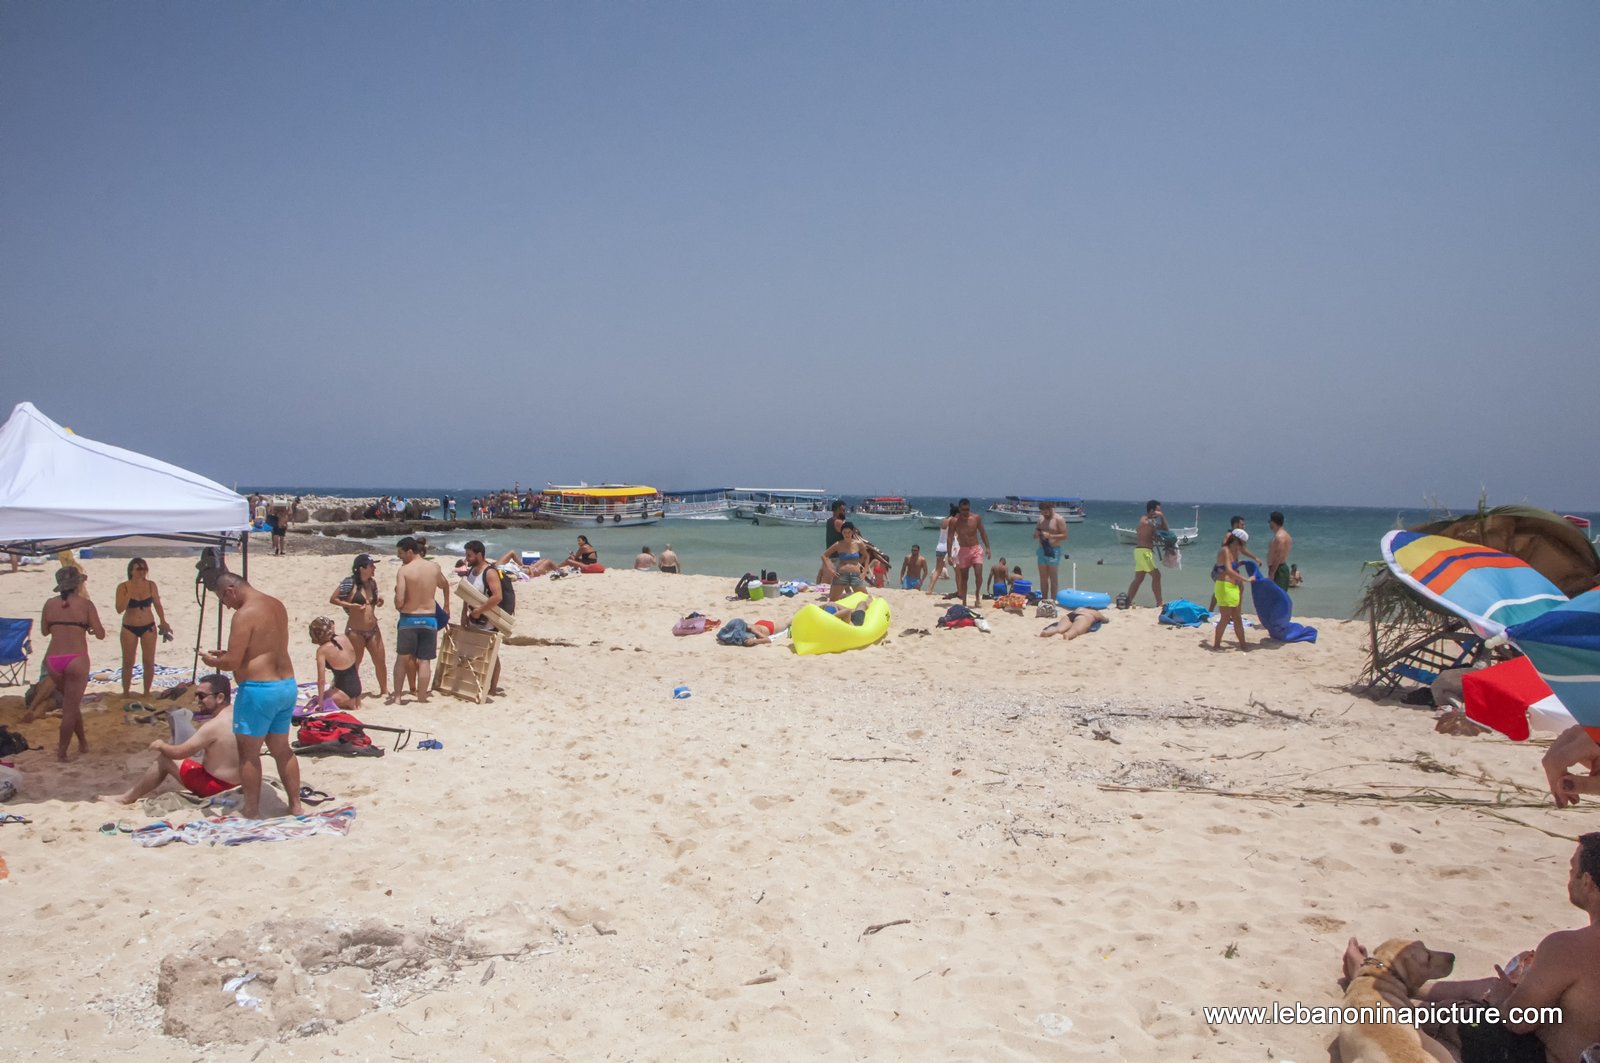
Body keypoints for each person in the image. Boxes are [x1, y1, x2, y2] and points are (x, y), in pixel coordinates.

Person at [1339, 833, 1600, 1063]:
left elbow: (1518, 1020)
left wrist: (1504, 998)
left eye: (1571, 869)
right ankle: (1386, 978)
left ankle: (1374, 978)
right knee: (1480, 995)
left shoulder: (1567, 947)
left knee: (1460, 1015)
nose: (1568, 877)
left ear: (1587, 881)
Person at [201, 573, 302, 819]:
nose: (226, 605)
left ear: (231, 590)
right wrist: (228, 654)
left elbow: (233, 662)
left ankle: (252, 810)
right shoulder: (276, 604)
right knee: (282, 749)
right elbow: (262, 647)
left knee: (248, 753)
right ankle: (296, 805)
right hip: (286, 685)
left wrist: (212, 660)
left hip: (258, 690)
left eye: (224, 599)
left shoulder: (243, 614)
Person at [98, 674, 241, 805]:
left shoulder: (212, 726)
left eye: (201, 696)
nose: (197, 700)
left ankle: (126, 798)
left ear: (220, 697)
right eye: (196, 695)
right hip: (242, 783)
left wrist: (161, 745)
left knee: (165, 759)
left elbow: (178, 753)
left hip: (216, 786)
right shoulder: (239, 714)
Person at [40, 567, 105, 760]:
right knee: (70, 707)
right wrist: (85, 627)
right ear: (77, 584)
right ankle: (62, 751)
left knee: (72, 703)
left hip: (53, 659)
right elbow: (101, 634)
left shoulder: (49, 604)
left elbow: (45, 631)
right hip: (76, 658)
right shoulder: (86, 604)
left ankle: (83, 743)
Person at [389, 536, 450, 704]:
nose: (399, 557)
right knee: (425, 661)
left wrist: (397, 598)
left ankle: (398, 697)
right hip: (429, 619)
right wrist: (446, 605)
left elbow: (399, 602)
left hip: (409, 618)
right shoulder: (434, 567)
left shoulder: (404, 571)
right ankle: (422, 697)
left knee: (402, 659)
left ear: (410, 551)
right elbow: (445, 585)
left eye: (401, 553)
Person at [329, 553, 388, 698]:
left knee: (380, 661)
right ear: (361, 568)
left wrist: (378, 601)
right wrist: (351, 605)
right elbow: (333, 599)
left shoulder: (372, 583)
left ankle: (384, 691)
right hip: (356, 631)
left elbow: (371, 603)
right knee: (355, 663)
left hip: (373, 629)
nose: (374, 568)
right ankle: (351, 691)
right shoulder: (349, 583)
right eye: (371, 566)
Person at [115, 558, 172, 696]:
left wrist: (163, 621)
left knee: (148, 660)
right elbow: (119, 609)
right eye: (138, 569)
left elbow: (157, 604)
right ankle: (126, 692)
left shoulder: (151, 585)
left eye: (144, 569)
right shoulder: (123, 586)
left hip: (148, 625)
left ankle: (147, 691)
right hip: (129, 626)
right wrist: (129, 593)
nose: (142, 572)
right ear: (131, 571)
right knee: (128, 661)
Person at [461, 540, 508, 696]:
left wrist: (480, 610)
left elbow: (497, 597)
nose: (467, 558)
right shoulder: (471, 571)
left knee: (491, 653)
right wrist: (464, 615)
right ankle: (481, 683)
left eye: (469, 555)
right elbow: (466, 594)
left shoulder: (490, 572)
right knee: (477, 650)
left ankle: (493, 688)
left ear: (479, 555)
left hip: (488, 619)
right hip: (474, 617)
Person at [1210, 530, 1252, 651]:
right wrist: (1246, 579)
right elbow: (1228, 570)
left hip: (1233, 587)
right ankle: (1216, 645)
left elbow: (1232, 566)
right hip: (1224, 587)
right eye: (1241, 543)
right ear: (1235, 541)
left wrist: (1244, 562)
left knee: (1237, 617)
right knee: (1225, 617)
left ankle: (1243, 645)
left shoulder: (1234, 552)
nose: (1242, 546)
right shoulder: (1225, 550)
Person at [309, 616, 364, 711]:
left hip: (343, 691)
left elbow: (321, 680)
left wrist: (320, 702)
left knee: (316, 700)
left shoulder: (322, 651)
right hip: (357, 686)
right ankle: (354, 699)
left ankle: (348, 702)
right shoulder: (344, 637)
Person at [948, 498, 991, 609]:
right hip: (963, 551)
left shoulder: (975, 518)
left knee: (978, 574)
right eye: (963, 509)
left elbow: (982, 532)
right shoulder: (954, 521)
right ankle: (964, 602)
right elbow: (949, 538)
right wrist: (949, 555)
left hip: (976, 549)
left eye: (967, 509)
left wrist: (988, 548)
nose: (965, 512)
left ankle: (977, 595)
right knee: (964, 577)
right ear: (959, 509)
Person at [1126, 500, 1169, 608]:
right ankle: (1159, 602)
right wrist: (1162, 517)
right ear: (1151, 510)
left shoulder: (1149, 521)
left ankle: (1128, 600)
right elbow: (1163, 528)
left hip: (1140, 552)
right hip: (1144, 552)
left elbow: (1165, 529)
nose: (1159, 512)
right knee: (1157, 575)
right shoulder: (1146, 520)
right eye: (1158, 510)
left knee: (1139, 579)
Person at [821, 523, 871, 602]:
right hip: (841, 576)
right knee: (833, 601)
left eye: (849, 532)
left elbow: (866, 556)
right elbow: (824, 555)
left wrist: (864, 571)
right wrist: (831, 570)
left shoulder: (858, 544)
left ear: (852, 532)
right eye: (845, 532)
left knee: (866, 598)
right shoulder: (838, 544)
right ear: (842, 533)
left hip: (856, 576)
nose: (847, 534)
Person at [1034, 501, 1068, 602]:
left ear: (1050, 509)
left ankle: (1053, 600)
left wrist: (1051, 535)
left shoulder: (1059, 519)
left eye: (1046, 512)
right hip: (1042, 549)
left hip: (1054, 550)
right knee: (1043, 577)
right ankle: (1044, 600)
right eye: (1042, 513)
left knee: (1053, 577)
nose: (1044, 515)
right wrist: (1037, 534)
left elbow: (1065, 536)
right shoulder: (1040, 519)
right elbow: (1035, 534)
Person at [926, 504, 958, 595]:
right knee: (957, 570)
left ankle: (929, 589)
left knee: (938, 570)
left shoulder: (944, 520)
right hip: (949, 548)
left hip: (939, 547)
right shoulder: (954, 521)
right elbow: (955, 535)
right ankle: (960, 590)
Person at [817, 500, 849, 583]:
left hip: (829, 556)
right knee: (838, 582)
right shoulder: (838, 522)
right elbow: (849, 535)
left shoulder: (829, 521)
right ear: (837, 510)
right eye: (843, 510)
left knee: (826, 581)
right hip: (837, 557)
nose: (844, 512)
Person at [1039, 607, 1109, 640]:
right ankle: (1068, 635)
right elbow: (1104, 619)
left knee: (1059, 628)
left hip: (1071, 615)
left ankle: (1047, 632)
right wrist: (1106, 619)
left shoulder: (1080, 608)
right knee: (1075, 630)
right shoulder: (1094, 612)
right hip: (1083, 617)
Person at [1267, 511, 1295, 591]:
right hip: (1279, 568)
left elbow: (1278, 556)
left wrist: (1272, 573)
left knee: (1277, 597)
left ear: (1273, 522)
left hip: (1278, 570)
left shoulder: (1280, 537)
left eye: (1269, 521)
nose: (1269, 524)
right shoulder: (1286, 535)